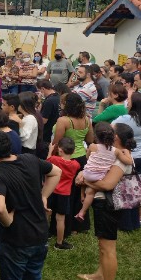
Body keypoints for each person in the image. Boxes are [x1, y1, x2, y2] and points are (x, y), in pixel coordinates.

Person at [0, 130, 61, 280]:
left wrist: (8, 222)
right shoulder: (30, 159)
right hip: (40, 233)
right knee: (34, 275)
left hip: (17, 239)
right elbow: (56, 172)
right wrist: (43, 196)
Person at [75, 123, 136, 280]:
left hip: (108, 204)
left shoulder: (120, 157)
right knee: (102, 245)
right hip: (104, 202)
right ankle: (100, 274)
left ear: (115, 137)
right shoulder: (113, 153)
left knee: (107, 248)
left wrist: (84, 181)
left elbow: (107, 184)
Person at [51, 93, 94, 237]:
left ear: (67, 105)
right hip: (81, 158)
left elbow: (56, 142)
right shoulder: (87, 120)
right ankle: (78, 225)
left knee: (65, 192)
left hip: (66, 159)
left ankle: (65, 226)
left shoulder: (63, 120)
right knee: (79, 193)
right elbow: (90, 139)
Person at [75, 122, 132, 222]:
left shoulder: (93, 146)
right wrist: (127, 152)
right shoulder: (116, 152)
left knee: (87, 181)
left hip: (89, 174)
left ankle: (82, 195)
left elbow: (88, 157)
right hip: (99, 176)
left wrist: (85, 179)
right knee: (91, 193)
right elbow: (129, 161)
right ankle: (82, 212)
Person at [46, 137, 81, 250]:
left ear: (60, 150)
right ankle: (59, 243)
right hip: (64, 194)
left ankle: (44, 237)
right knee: (60, 219)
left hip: (51, 190)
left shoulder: (54, 159)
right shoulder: (76, 165)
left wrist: (50, 150)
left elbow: (46, 165)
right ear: (74, 151)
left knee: (46, 214)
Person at [37, 80, 60, 144]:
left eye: (39, 91)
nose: (39, 93)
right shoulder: (58, 96)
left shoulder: (49, 101)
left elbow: (44, 120)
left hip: (48, 132)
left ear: (42, 89)